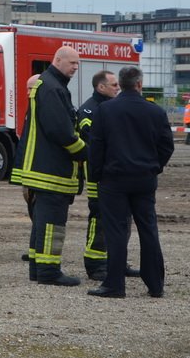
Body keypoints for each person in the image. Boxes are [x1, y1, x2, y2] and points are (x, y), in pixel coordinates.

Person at [87, 67, 173, 299]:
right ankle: (155, 284)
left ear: (121, 85)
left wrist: (96, 175)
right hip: (144, 179)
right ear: (139, 84)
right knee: (148, 229)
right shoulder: (155, 112)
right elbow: (167, 145)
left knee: (116, 231)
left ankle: (115, 284)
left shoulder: (105, 110)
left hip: (113, 180)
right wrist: (155, 167)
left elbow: (96, 147)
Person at [12, 47, 85, 286]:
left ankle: (38, 268)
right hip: (51, 170)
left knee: (42, 222)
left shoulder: (49, 84)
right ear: (58, 60)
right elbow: (60, 130)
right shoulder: (53, 88)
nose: (75, 67)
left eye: (78, 63)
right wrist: (84, 152)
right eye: (72, 62)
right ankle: (48, 271)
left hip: (41, 168)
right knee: (52, 222)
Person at [77, 70, 120, 280]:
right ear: (100, 87)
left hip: (114, 172)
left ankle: (115, 260)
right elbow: (93, 140)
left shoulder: (112, 107)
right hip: (97, 173)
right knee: (99, 217)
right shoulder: (88, 110)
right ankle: (94, 264)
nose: (118, 88)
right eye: (113, 85)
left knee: (119, 219)